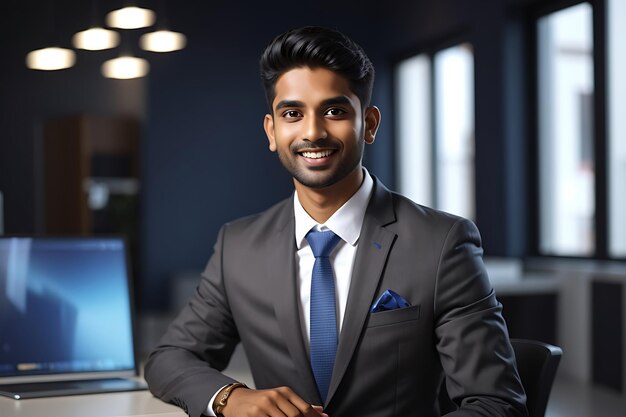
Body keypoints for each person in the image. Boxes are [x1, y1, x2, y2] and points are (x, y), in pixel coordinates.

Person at [144, 26, 527, 417]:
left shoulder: (442, 242)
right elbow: (169, 358)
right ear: (272, 131)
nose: (313, 131)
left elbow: (496, 404)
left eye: (334, 111)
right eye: (292, 114)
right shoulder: (238, 246)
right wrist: (231, 398)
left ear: (370, 124)